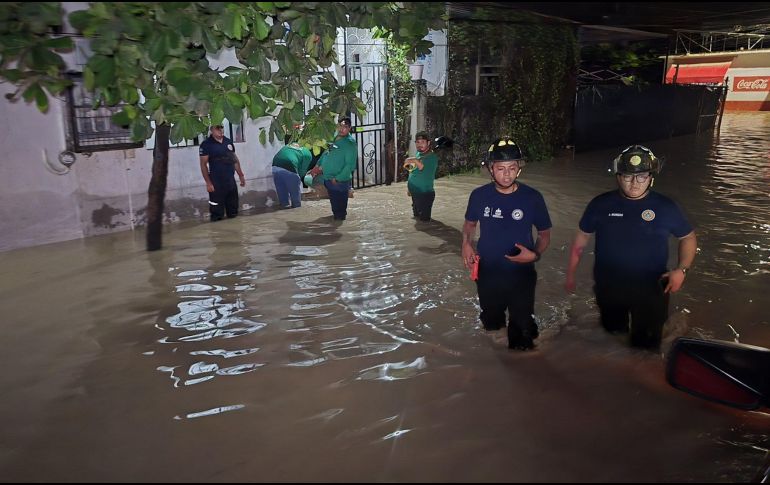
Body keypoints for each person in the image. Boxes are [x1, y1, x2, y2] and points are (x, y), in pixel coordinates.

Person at [564, 144, 697, 350]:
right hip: (609, 287)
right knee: (611, 340)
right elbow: (582, 236)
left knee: (646, 347)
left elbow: (687, 237)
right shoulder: (600, 205)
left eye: (641, 176)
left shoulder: (666, 207)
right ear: (618, 176)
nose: (634, 183)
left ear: (651, 177)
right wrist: (571, 272)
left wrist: (682, 269)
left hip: (652, 288)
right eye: (627, 176)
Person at [462, 137, 552, 350]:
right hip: (487, 272)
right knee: (492, 324)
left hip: (521, 274)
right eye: (501, 168)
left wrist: (535, 255)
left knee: (521, 340)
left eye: (512, 167)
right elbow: (469, 224)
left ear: (519, 168)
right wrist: (466, 244)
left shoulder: (533, 198)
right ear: (490, 169)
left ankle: (525, 331)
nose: (507, 173)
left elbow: (545, 234)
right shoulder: (479, 196)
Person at [308, 116, 358, 221]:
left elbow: (350, 164)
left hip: (339, 181)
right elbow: (326, 153)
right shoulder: (334, 138)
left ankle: (338, 228)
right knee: (335, 208)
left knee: (340, 212)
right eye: (340, 126)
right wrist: (317, 166)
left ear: (349, 128)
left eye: (345, 127)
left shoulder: (350, 143)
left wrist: (338, 178)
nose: (342, 129)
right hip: (328, 178)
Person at [199, 124, 245, 221]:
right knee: (217, 213)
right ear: (211, 130)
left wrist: (241, 175)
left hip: (230, 181)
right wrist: (208, 183)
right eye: (217, 129)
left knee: (233, 210)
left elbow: (234, 159)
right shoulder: (206, 144)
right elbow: (203, 165)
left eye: (221, 128)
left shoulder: (228, 141)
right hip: (216, 182)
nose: (220, 131)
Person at [405, 131, 439, 222]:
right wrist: (409, 188)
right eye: (417, 142)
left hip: (425, 194)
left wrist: (413, 160)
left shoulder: (432, 157)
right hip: (415, 193)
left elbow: (421, 167)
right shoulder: (419, 154)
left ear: (428, 143)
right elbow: (412, 171)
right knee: (416, 218)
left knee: (425, 223)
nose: (419, 145)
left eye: (422, 142)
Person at [271, 142, 312, 208]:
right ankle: (296, 208)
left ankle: (284, 205)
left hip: (275, 166)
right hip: (289, 165)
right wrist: (299, 178)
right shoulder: (307, 153)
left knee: (281, 189)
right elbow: (303, 169)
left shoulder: (288, 146)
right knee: (294, 191)